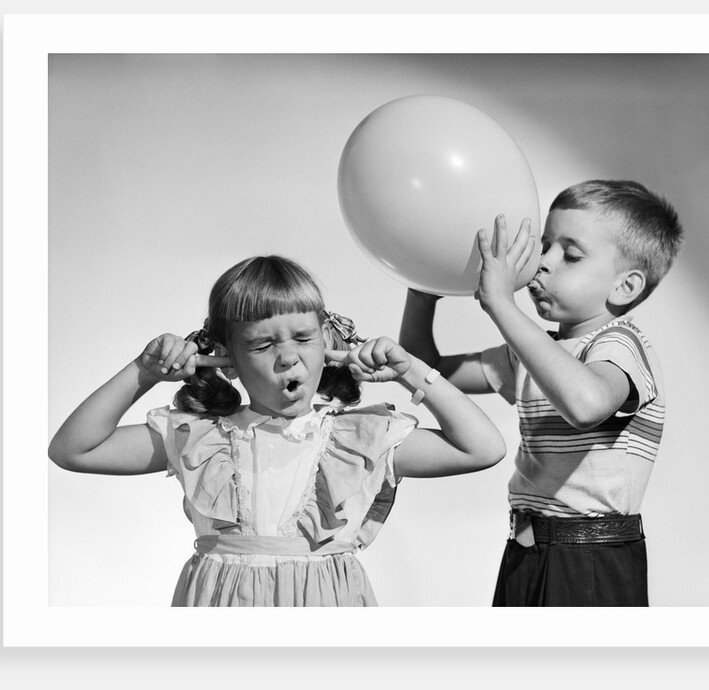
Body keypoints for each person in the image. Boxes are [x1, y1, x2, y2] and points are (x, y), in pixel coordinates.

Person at [48, 255, 506, 607]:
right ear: (226, 354)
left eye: (303, 338)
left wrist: (414, 371)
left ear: (328, 341)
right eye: (263, 344)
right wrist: (143, 371)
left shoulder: (358, 438)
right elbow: (74, 450)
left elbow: (482, 449)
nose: (288, 358)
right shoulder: (201, 437)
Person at [399, 180, 683, 606]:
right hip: (526, 553)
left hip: (590, 559)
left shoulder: (620, 345)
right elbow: (431, 370)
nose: (542, 263)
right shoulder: (536, 351)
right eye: (544, 246)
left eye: (570, 255)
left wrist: (502, 306)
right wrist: (422, 292)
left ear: (625, 287)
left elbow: (586, 405)